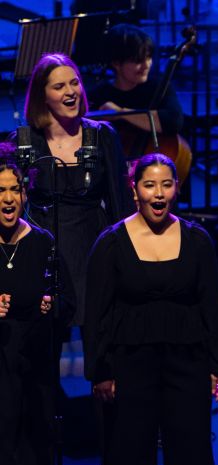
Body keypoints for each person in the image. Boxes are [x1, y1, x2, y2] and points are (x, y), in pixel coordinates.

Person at [83, 153, 218, 465]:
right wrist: (100, 371)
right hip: (130, 365)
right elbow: (98, 314)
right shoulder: (110, 243)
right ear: (134, 190)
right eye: (150, 185)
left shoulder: (198, 241)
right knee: (129, 464)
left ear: (176, 190)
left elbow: (212, 307)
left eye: (166, 185)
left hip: (187, 363)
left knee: (193, 462)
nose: (158, 193)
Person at [14, 53, 134, 331]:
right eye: (59, 87)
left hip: (91, 248)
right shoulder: (23, 142)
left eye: (75, 83)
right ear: (42, 96)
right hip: (43, 253)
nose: (70, 92)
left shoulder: (103, 135)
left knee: (102, 343)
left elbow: (121, 205)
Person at [0, 145, 71, 465]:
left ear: (24, 194)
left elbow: (69, 301)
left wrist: (52, 305)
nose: (7, 198)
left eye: (13, 189)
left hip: (25, 370)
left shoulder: (42, 243)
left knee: (18, 451)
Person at [91, 23, 186, 137]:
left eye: (148, 58)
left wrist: (121, 112)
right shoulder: (99, 94)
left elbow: (174, 122)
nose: (146, 65)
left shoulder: (159, 87)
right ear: (116, 63)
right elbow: (88, 143)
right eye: (138, 60)